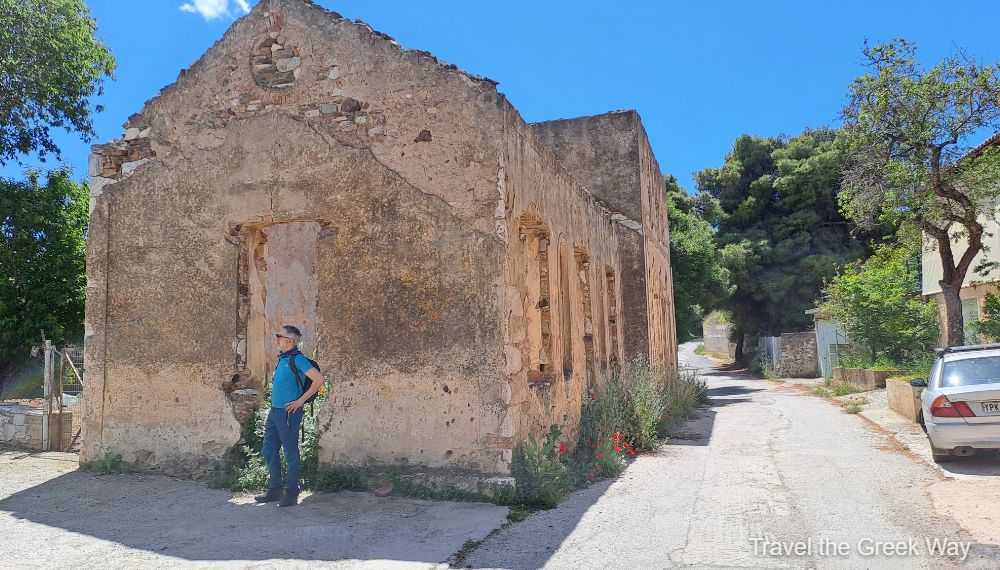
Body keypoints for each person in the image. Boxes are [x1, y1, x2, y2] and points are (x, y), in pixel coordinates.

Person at [254, 324, 324, 507]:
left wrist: (301, 401)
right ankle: (275, 489)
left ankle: (292, 492)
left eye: (279, 336)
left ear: (290, 340)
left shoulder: (298, 359)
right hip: (275, 412)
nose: (276, 338)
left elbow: (319, 380)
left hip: (289, 413)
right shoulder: (282, 359)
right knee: (269, 450)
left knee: (290, 452)